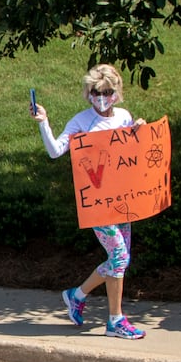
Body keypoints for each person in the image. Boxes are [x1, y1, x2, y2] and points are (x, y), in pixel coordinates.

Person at [32, 64, 147, 338]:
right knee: (119, 257)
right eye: (96, 91)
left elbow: (131, 153)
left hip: (122, 198)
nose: (102, 97)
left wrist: (140, 130)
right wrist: (44, 123)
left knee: (120, 259)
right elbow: (56, 151)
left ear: (116, 92)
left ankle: (77, 294)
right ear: (88, 92)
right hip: (97, 202)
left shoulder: (123, 117)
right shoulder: (81, 121)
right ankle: (115, 320)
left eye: (107, 91)